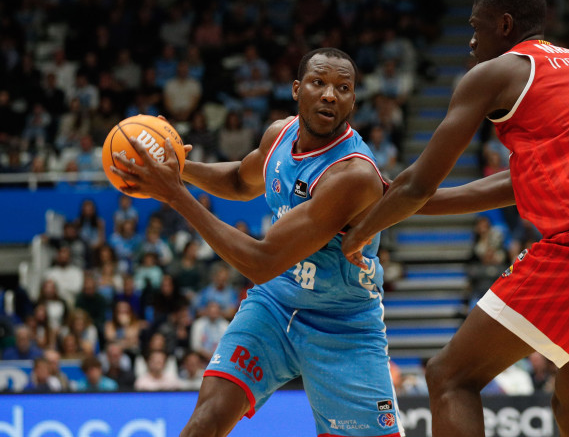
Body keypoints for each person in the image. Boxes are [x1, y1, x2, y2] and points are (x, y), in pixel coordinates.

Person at [341, 0, 569, 437]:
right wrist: (409, 204)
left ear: (504, 24)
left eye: (476, 27)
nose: (470, 41)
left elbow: (419, 182)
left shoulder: (498, 72)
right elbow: (516, 183)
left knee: (449, 377)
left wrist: (360, 230)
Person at [108, 48, 403, 437]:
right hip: (276, 304)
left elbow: (261, 261)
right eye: (319, 83)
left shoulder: (352, 174)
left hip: (343, 323)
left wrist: (176, 194)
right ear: (297, 89)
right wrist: (177, 167)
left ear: (352, 100)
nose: (330, 94)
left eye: (343, 88)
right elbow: (238, 182)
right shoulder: (278, 134)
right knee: (207, 420)